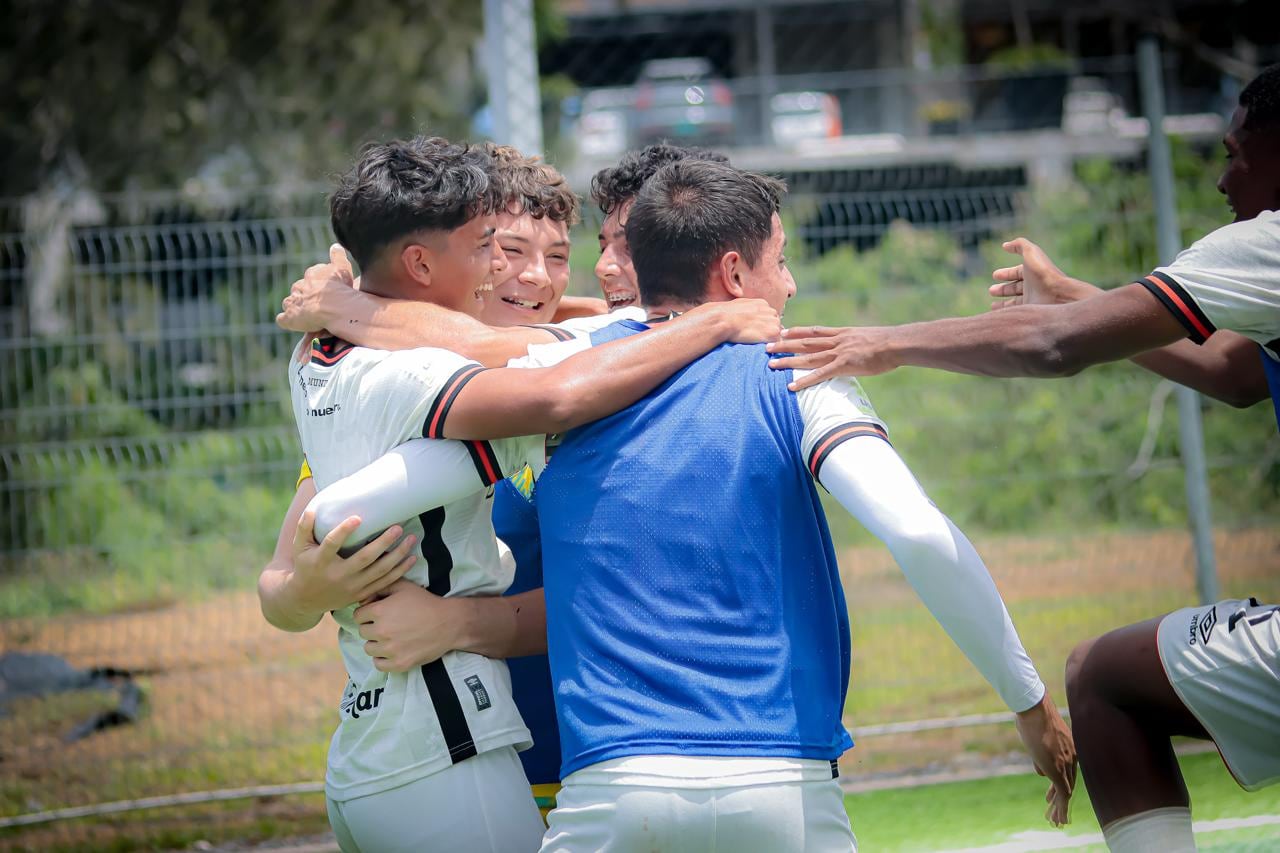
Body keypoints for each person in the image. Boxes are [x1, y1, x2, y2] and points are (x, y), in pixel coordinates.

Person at [306, 160, 1076, 852]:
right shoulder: (801, 372)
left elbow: (357, 498)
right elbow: (916, 531)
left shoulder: (566, 383)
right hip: (786, 784)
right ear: (737, 272)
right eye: (783, 261)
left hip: (611, 788)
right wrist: (1028, 701)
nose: (793, 285)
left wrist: (327, 556)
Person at [768, 64, 1280, 853]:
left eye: (1238, 152)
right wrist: (1072, 292)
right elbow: (1236, 373)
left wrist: (882, 342)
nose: (1221, 176)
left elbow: (1050, 347)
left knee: (1104, 679)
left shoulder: (1270, 242)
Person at [260, 135, 781, 852]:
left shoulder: (630, 370)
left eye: (560, 254)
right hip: (477, 751)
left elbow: (641, 589)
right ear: (444, 258)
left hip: (632, 753)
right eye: (499, 249)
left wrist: (460, 624)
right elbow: (281, 586)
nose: (534, 277)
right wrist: (310, 583)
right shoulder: (411, 389)